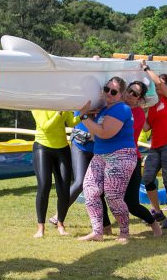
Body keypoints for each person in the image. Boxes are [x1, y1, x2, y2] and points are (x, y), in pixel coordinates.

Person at [77, 77, 137, 242]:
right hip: (100, 155)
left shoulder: (122, 109)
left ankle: (124, 232)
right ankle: (97, 232)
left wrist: (83, 117)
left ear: (122, 94)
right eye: (106, 89)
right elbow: (97, 133)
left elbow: (104, 132)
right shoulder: (104, 109)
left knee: (113, 196)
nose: (108, 93)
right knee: (89, 190)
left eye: (113, 91)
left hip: (121, 155)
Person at [139, 62, 167, 229]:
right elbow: (146, 127)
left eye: (162, 83)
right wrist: (139, 107)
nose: (158, 86)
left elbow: (158, 83)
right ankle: (157, 211)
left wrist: (146, 69)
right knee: (148, 178)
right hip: (156, 146)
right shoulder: (153, 106)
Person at [117, 80, 162, 236]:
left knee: (132, 204)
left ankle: (153, 223)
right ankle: (105, 227)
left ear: (139, 99)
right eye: (129, 91)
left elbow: (121, 132)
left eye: (135, 94)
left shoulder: (137, 113)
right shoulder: (117, 107)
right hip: (112, 158)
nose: (130, 95)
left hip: (130, 159)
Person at [30, 109, 79, 238]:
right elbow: (46, 127)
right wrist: (59, 112)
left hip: (62, 149)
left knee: (64, 189)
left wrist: (84, 115)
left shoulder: (63, 102)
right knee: (44, 185)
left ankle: (61, 224)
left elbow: (72, 122)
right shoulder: (38, 104)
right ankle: (41, 227)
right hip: (42, 147)